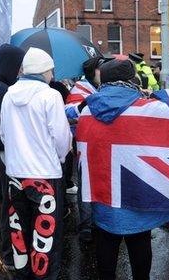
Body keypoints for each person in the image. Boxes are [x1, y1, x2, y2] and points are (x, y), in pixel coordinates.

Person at [77, 59, 169, 279]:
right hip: (136, 189)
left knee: (106, 239)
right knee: (140, 240)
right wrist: (153, 96)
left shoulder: (87, 111)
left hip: (104, 191)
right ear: (131, 80)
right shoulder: (151, 108)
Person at [0, 47, 71, 279]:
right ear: (44, 70)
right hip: (44, 176)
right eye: (51, 70)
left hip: (15, 174)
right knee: (46, 237)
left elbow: (3, 134)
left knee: (19, 230)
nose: (52, 75)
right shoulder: (50, 95)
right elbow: (61, 137)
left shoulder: (8, 95)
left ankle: (23, 275)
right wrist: (59, 158)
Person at [0, 44, 26, 270]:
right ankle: (9, 254)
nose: (21, 70)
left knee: (8, 204)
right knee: (9, 206)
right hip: (4, 154)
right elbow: (5, 129)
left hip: (0, 153)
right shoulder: (2, 91)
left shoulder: (0, 86)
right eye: (18, 65)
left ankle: (11, 252)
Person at [64, 56, 111, 243]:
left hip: (101, 144)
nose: (105, 72)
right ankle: (86, 227)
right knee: (86, 185)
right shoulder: (81, 89)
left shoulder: (100, 87)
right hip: (85, 144)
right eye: (102, 69)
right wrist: (85, 108)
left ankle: (99, 223)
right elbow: (67, 113)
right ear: (93, 72)